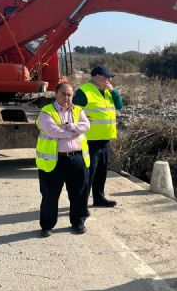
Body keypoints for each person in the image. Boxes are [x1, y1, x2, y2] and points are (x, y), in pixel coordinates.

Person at [36, 81, 91, 237]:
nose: (67, 97)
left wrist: (69, 127)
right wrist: (73, 131)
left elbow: (86, 126)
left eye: (70, 94)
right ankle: (47, 226)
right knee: (50, 195)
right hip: (55, 161)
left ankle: (78, 222)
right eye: (64, 94)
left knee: (79, 193)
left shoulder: (78, 110)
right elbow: (52, 130)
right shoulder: (46, 111)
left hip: (77, 159)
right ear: (56, 94)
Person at [73, 66, 123, 207]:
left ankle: (99, 198)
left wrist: (114, 91)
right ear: (96, 76)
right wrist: (81, 119)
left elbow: (119, 106)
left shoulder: (108, 91)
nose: (109, 79)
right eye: (106, 77)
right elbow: (71, 109)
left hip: (105, 139)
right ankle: (82, 204)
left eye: (110, 77)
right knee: (88, 173)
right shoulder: (84, 91)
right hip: (90, 140)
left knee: (101, 171)